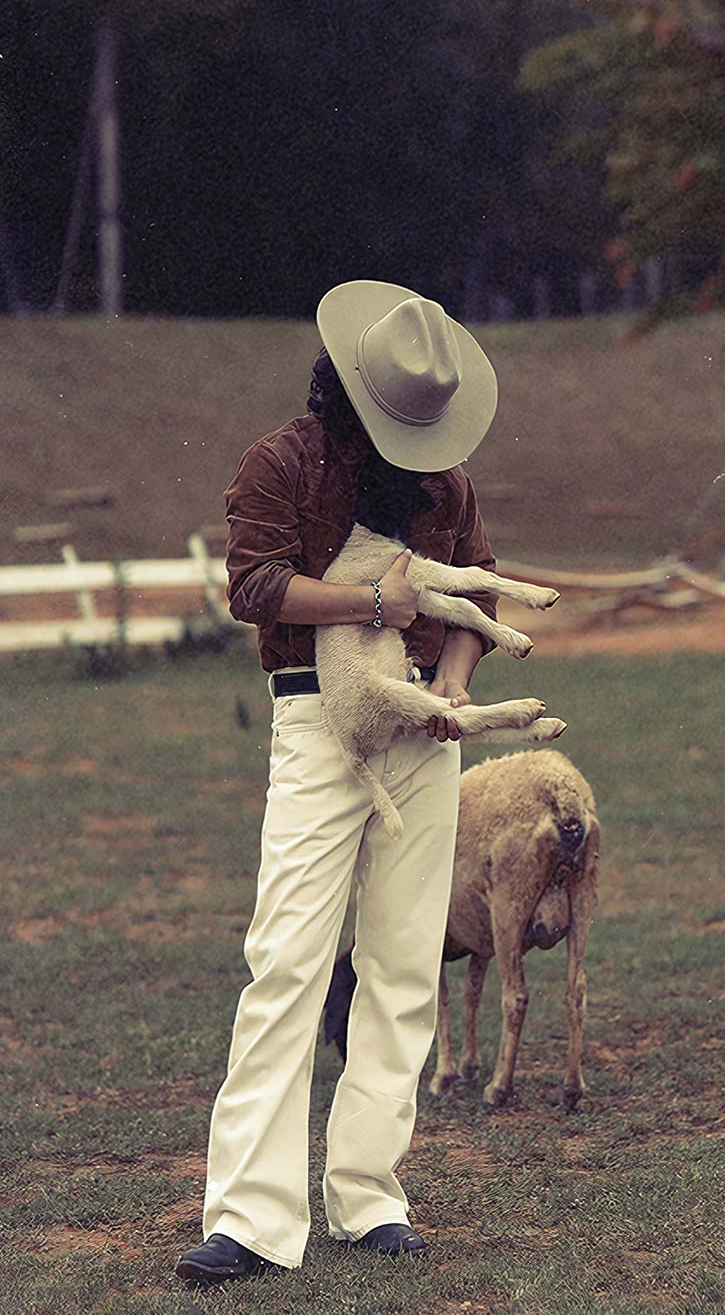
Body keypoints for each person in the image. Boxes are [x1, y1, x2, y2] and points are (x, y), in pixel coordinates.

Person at [176, 281, 501, 1286]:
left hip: (422, 727)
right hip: (317, 719)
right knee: (288, 959)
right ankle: (251, 1217)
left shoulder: (445, 483)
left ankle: (369, 1195)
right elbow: (254, 586)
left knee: (403, 962)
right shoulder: (280, 463)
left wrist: (452, 683)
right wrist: (372, 602)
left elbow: (479, 592)